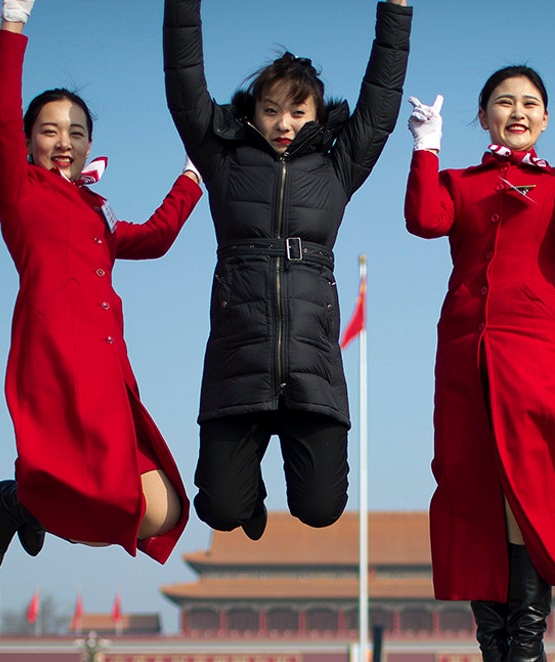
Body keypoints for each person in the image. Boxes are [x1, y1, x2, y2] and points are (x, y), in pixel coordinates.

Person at [404, 68, 555, 662]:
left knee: (527, 484)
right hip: (464, 348)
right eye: (505, 102)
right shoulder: (461, 184)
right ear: (484, 115)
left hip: (529, 343)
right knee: (471, 489)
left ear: (545, 119)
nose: (517, 112)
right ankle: (495, 661)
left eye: (530, 103)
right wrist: (426, 147)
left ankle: (526, 647)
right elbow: (424, 218)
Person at [0, 0, 205, 575]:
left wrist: (192, 177)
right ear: (28, 143)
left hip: (107, 368)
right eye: (49, 130)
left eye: (76, 131)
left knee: (161, 509)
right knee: (113, 504)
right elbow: (0, 115)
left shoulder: (96, 211)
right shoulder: (18, 191)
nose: (64, 140)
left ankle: (20, 500)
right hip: (53, 359)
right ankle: (23, 497)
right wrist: (12, 28)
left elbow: (154, 238)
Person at [164, 0, 412, 539]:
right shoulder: (223, 159)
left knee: (322, 510)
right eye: (271, 110)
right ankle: (244, 499)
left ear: (318, 118)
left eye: (298, 111)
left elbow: (380, 106)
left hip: (312, 364)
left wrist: (396, 12)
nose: (283, 123)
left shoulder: (336, 169)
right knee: (224, 512)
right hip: (239, 360)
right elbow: (184, 85)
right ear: (252, 113)